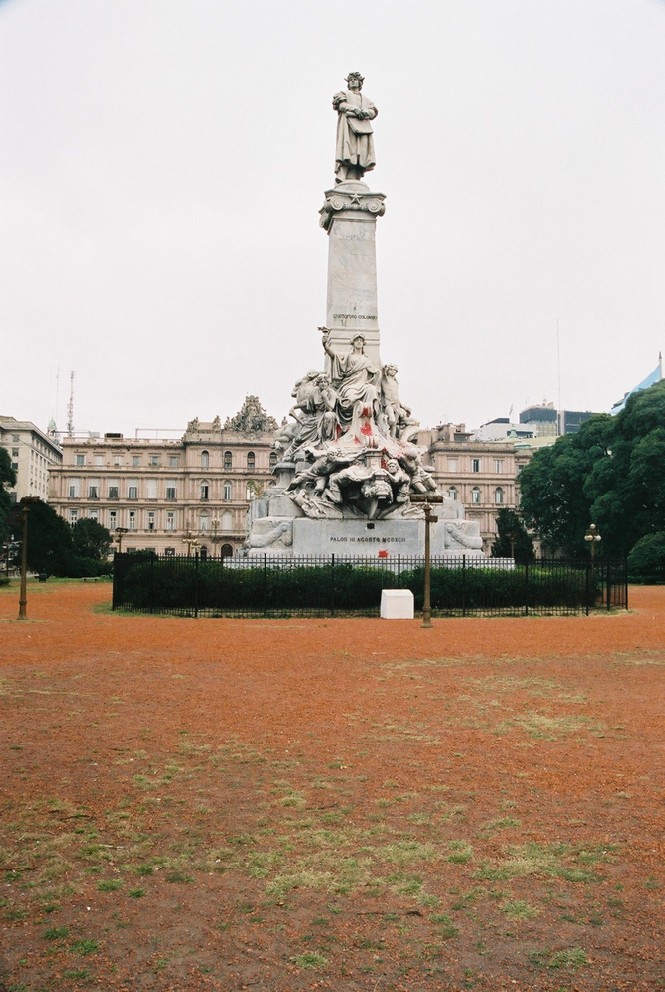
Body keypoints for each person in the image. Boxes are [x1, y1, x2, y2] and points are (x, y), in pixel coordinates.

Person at [321, 328, 380, 430]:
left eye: (361, 341)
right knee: (350, 399)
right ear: (353, 343)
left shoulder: (367, 359)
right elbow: (333, 355)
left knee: (371, 390)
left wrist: (376, 377)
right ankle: (349, 424)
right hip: (349, 385)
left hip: (363, 385)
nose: (359, 342)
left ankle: (368, 421)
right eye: (357, 340)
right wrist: (325, 343)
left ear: (363, 343)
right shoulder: (347, 356)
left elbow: (376, 373)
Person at [332, 72, 377, 183]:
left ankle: (355, 175)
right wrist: (354, 109)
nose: (352, 81)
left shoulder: (366, 100)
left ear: (360, 82)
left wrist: (366, 113)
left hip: (363, 128)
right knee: (348, 149)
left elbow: (373, 111)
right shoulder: (344, 94)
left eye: (355, 79)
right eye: (350, 79)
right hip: (348, 127)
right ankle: (342, 174)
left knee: (361, 151)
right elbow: (341, 105)